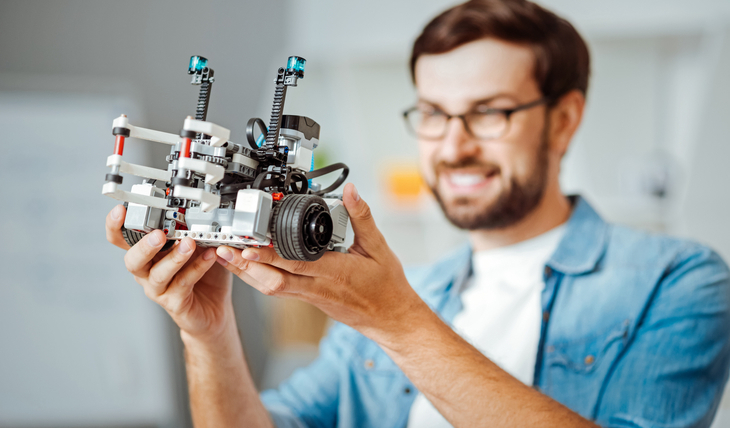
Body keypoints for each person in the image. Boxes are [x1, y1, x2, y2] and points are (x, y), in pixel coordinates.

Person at [105, 0, 730, 426]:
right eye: (433, 113)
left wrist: (397, 322)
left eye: (489, 112)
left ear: (563, 120)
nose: (453, 146)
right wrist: (208, 333)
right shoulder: (415, 289)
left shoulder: (676, 280)